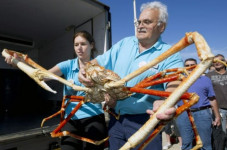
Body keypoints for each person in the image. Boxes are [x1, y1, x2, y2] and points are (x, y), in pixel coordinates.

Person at [79, 1, 183, 150]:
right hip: (115, 119)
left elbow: (175, 81)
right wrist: (85, 70)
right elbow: (99, 61)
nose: (140, 25)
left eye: (147, 22)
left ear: (161, 27)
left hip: (145, 122)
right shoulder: (124, 43)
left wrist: (168, 100)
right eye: (138, 22)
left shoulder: (170, 53)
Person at [5, 31, 108, 150]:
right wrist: (19, 63)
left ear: (91, 45)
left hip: (94, 116)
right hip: (70, 119)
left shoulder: (101, 67)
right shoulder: (68, 65)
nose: (79, 48)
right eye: (76, 45)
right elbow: (42, 75)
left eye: (83, 44)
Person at [176, 58, 221, 150]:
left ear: (197, 66)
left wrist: (217, 116)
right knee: (186, 144)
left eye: (192, 65)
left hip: (202, 113)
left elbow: (212, 99)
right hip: (184, 113)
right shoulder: (178, 80)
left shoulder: (205, 79)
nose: (190, 67)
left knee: (206, 144)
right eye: (187, 65)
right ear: (184, 67)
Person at [206, 54, 227, 149]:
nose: (217, 62)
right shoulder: (209, 75)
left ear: (225, 61)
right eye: (215, 61)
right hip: (219, 109)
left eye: (220, 60)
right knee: (222, 133)